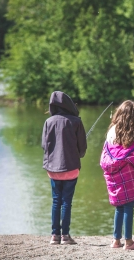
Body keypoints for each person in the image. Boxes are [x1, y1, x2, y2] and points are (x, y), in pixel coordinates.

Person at [100, 100, 134, 250]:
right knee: (129, 207)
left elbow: (109, 152)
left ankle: (116, 240)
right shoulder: (133, 134)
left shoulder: (111, 131)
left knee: (119, 207)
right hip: (128, 177)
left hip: (114, 176)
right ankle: (128, 242)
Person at [42, 91, 87, 245]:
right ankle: (65, 236)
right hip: (71, 168)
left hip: (53, 169)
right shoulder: (76, 122)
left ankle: (54, 236)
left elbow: (44, 146)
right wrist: (77, 154)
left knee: (56, 201)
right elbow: (82, 148)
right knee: (67, 201)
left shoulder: (49, 122)